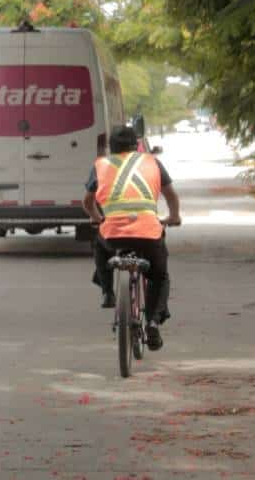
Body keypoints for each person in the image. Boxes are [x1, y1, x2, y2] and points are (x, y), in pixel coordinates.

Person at [82, 125, 181, 350]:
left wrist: (97, 218)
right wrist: (174, 217)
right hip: (149, 233)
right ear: (136, 145)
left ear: (111, 147)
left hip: (113, 235)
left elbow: (87, 202)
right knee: (159, 276)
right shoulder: (152, 162)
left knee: (100, 245)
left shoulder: (101, 165)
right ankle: (153, 322)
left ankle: (107, 291)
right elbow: (171, 196)